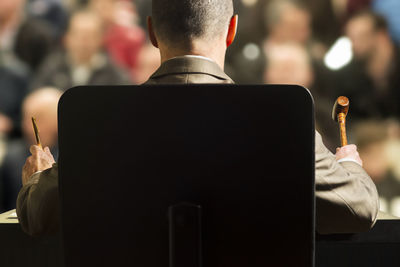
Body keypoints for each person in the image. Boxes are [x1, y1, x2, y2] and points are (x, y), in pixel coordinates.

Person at [17, 0, 379, 236]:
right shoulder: (285, 121)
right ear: (232, 31)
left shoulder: (97, 123)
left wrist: (37, 181)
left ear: (152, 33)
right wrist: (347, 165)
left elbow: (40, 214)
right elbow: (359, 208)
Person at [0, 87, 61, 212]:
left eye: (37, 118)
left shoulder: (72, 156)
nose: (26, 126)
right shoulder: (11, 157)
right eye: (25, 118)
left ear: (57, 119)